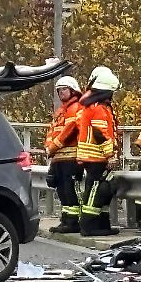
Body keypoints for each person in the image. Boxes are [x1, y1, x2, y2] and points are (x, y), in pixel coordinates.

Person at [75, 69, 121, 237]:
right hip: (96, 157)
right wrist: (110, 154)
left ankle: (102, 225)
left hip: (91, 156)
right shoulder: (99, 109)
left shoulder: (92, 106)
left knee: (99, 189)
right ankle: (89, 226)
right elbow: (99, 133)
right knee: (96, 190)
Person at [43, 76, 83, 234]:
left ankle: (73, 222)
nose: (61, 93)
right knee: (62, 191)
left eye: (64, 89)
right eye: (59, 90)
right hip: (58, 157)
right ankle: (66, 220)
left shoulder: (75, 108)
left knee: (70, 191)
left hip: (70, 158)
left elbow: (69, 130)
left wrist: (53, 146)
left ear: (73, 90)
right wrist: (48, 147)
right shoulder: (61, 111)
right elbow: (52, 131)